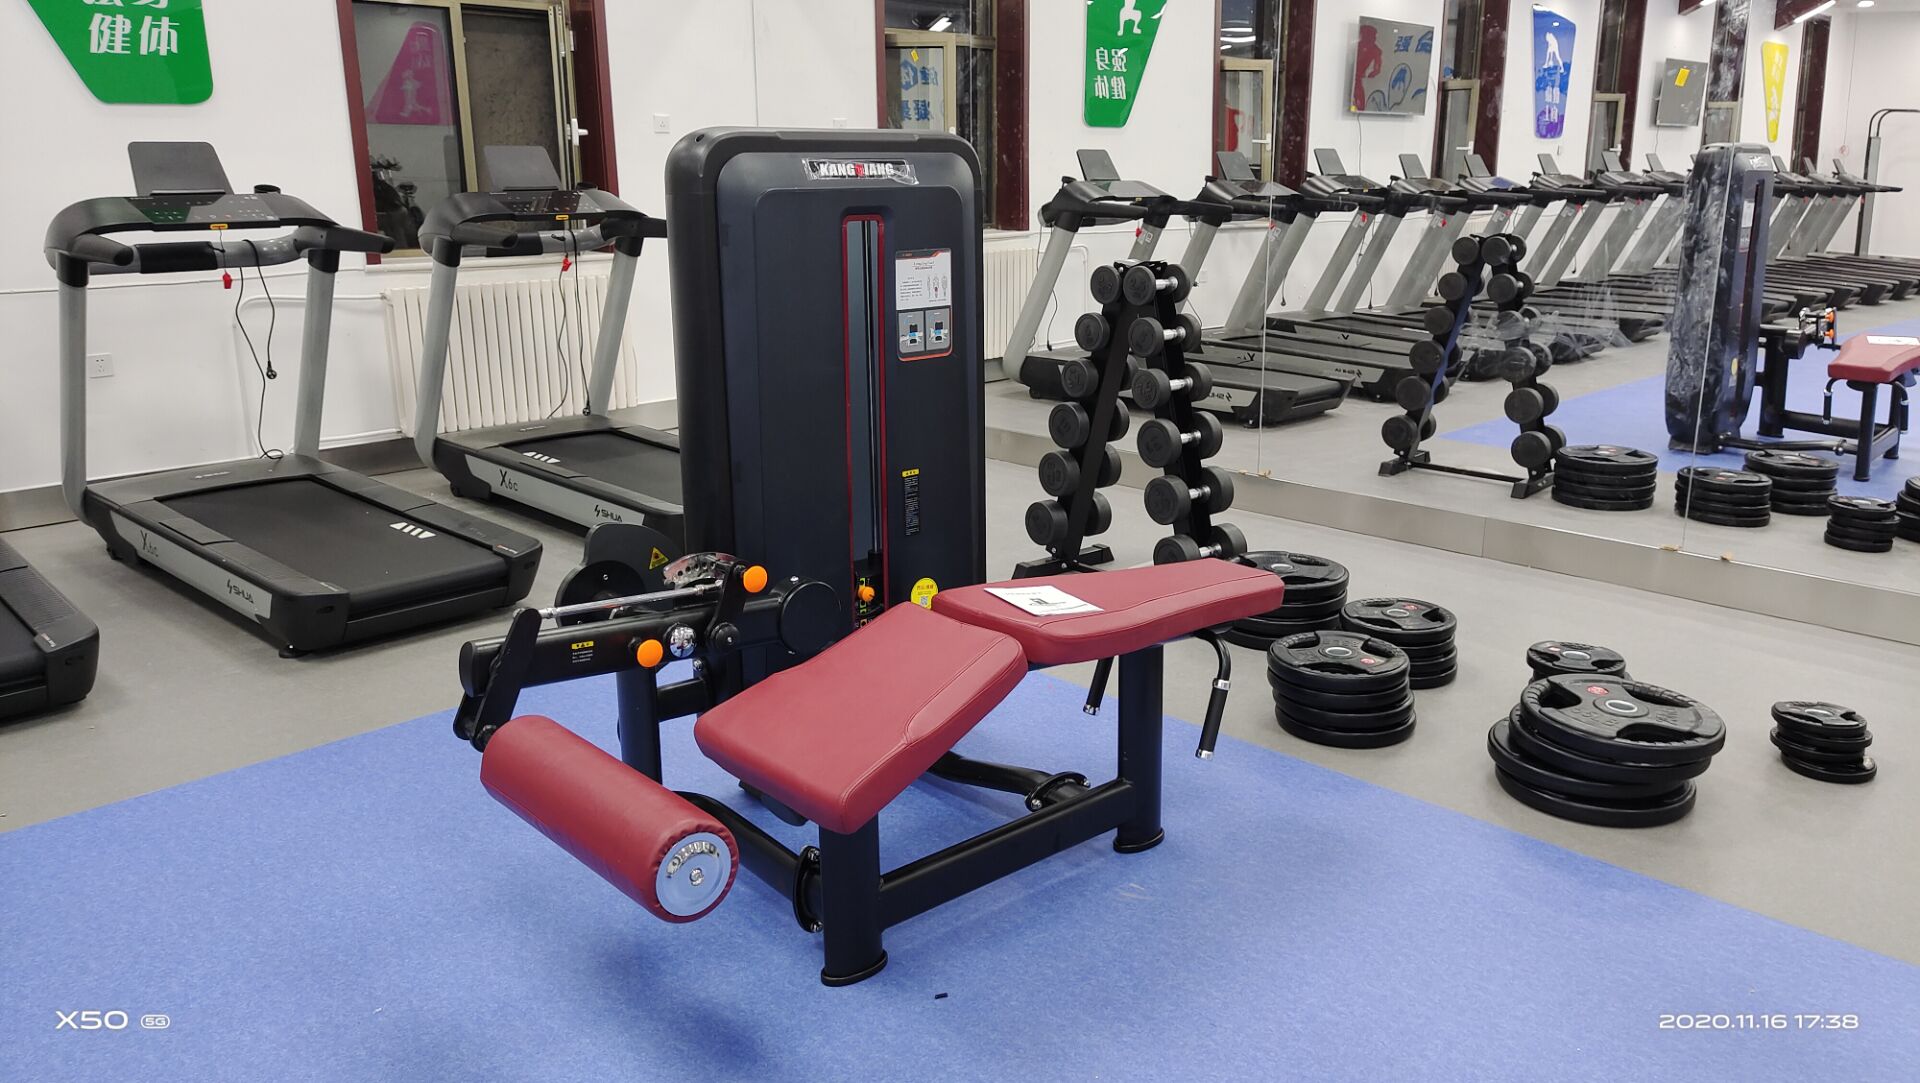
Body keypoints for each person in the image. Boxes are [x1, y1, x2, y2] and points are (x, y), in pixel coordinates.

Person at [1353, 25, 1383, 112]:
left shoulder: (1375, 50)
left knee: (1359, 103)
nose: (1373, 39)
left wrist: (1370, 73)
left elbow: (1377, 68)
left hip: (1358, 78)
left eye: (1373, 36)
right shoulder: (1355, 46)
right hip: (1353, 76)